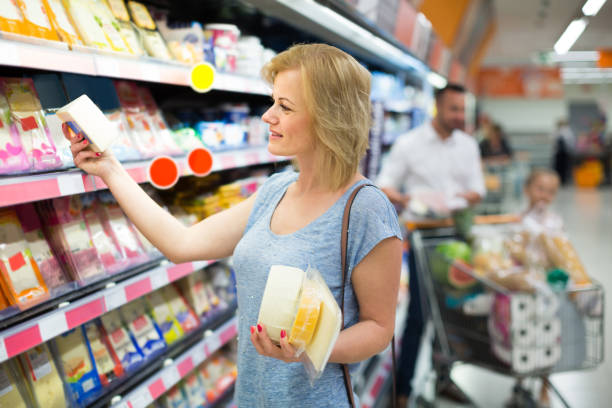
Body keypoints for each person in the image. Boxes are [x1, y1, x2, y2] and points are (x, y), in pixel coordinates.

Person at [64, 43, 402, 407]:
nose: (267, 116)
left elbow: (379, 329)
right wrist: (111, 169)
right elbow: (182, 243)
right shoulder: (275, 191)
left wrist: (311, 349)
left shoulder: (366, 208)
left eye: (285, 107)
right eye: (273, 102)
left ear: (330, 117)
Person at [376, 83, 485, 406]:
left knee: (452, 314)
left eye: (462, 110)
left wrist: (456, 199)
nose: (459, 116)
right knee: (420, 316)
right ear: (437, 107)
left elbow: (477, 189)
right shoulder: (409, 144)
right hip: (422, 237)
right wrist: (414, 199)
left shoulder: (467, 145)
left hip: (456, 237)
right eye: (453, 109)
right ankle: (403, 391)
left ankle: (443, 380)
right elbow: (385, 185)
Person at [552, 119, 574, 185]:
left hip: (565, 153)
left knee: (564, 168)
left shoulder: (567, 131)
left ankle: (564, 181)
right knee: (558, 168)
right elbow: (554, 141)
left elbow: (570, 142)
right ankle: (557, 180)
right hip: (558, 153)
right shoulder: (556, 131)